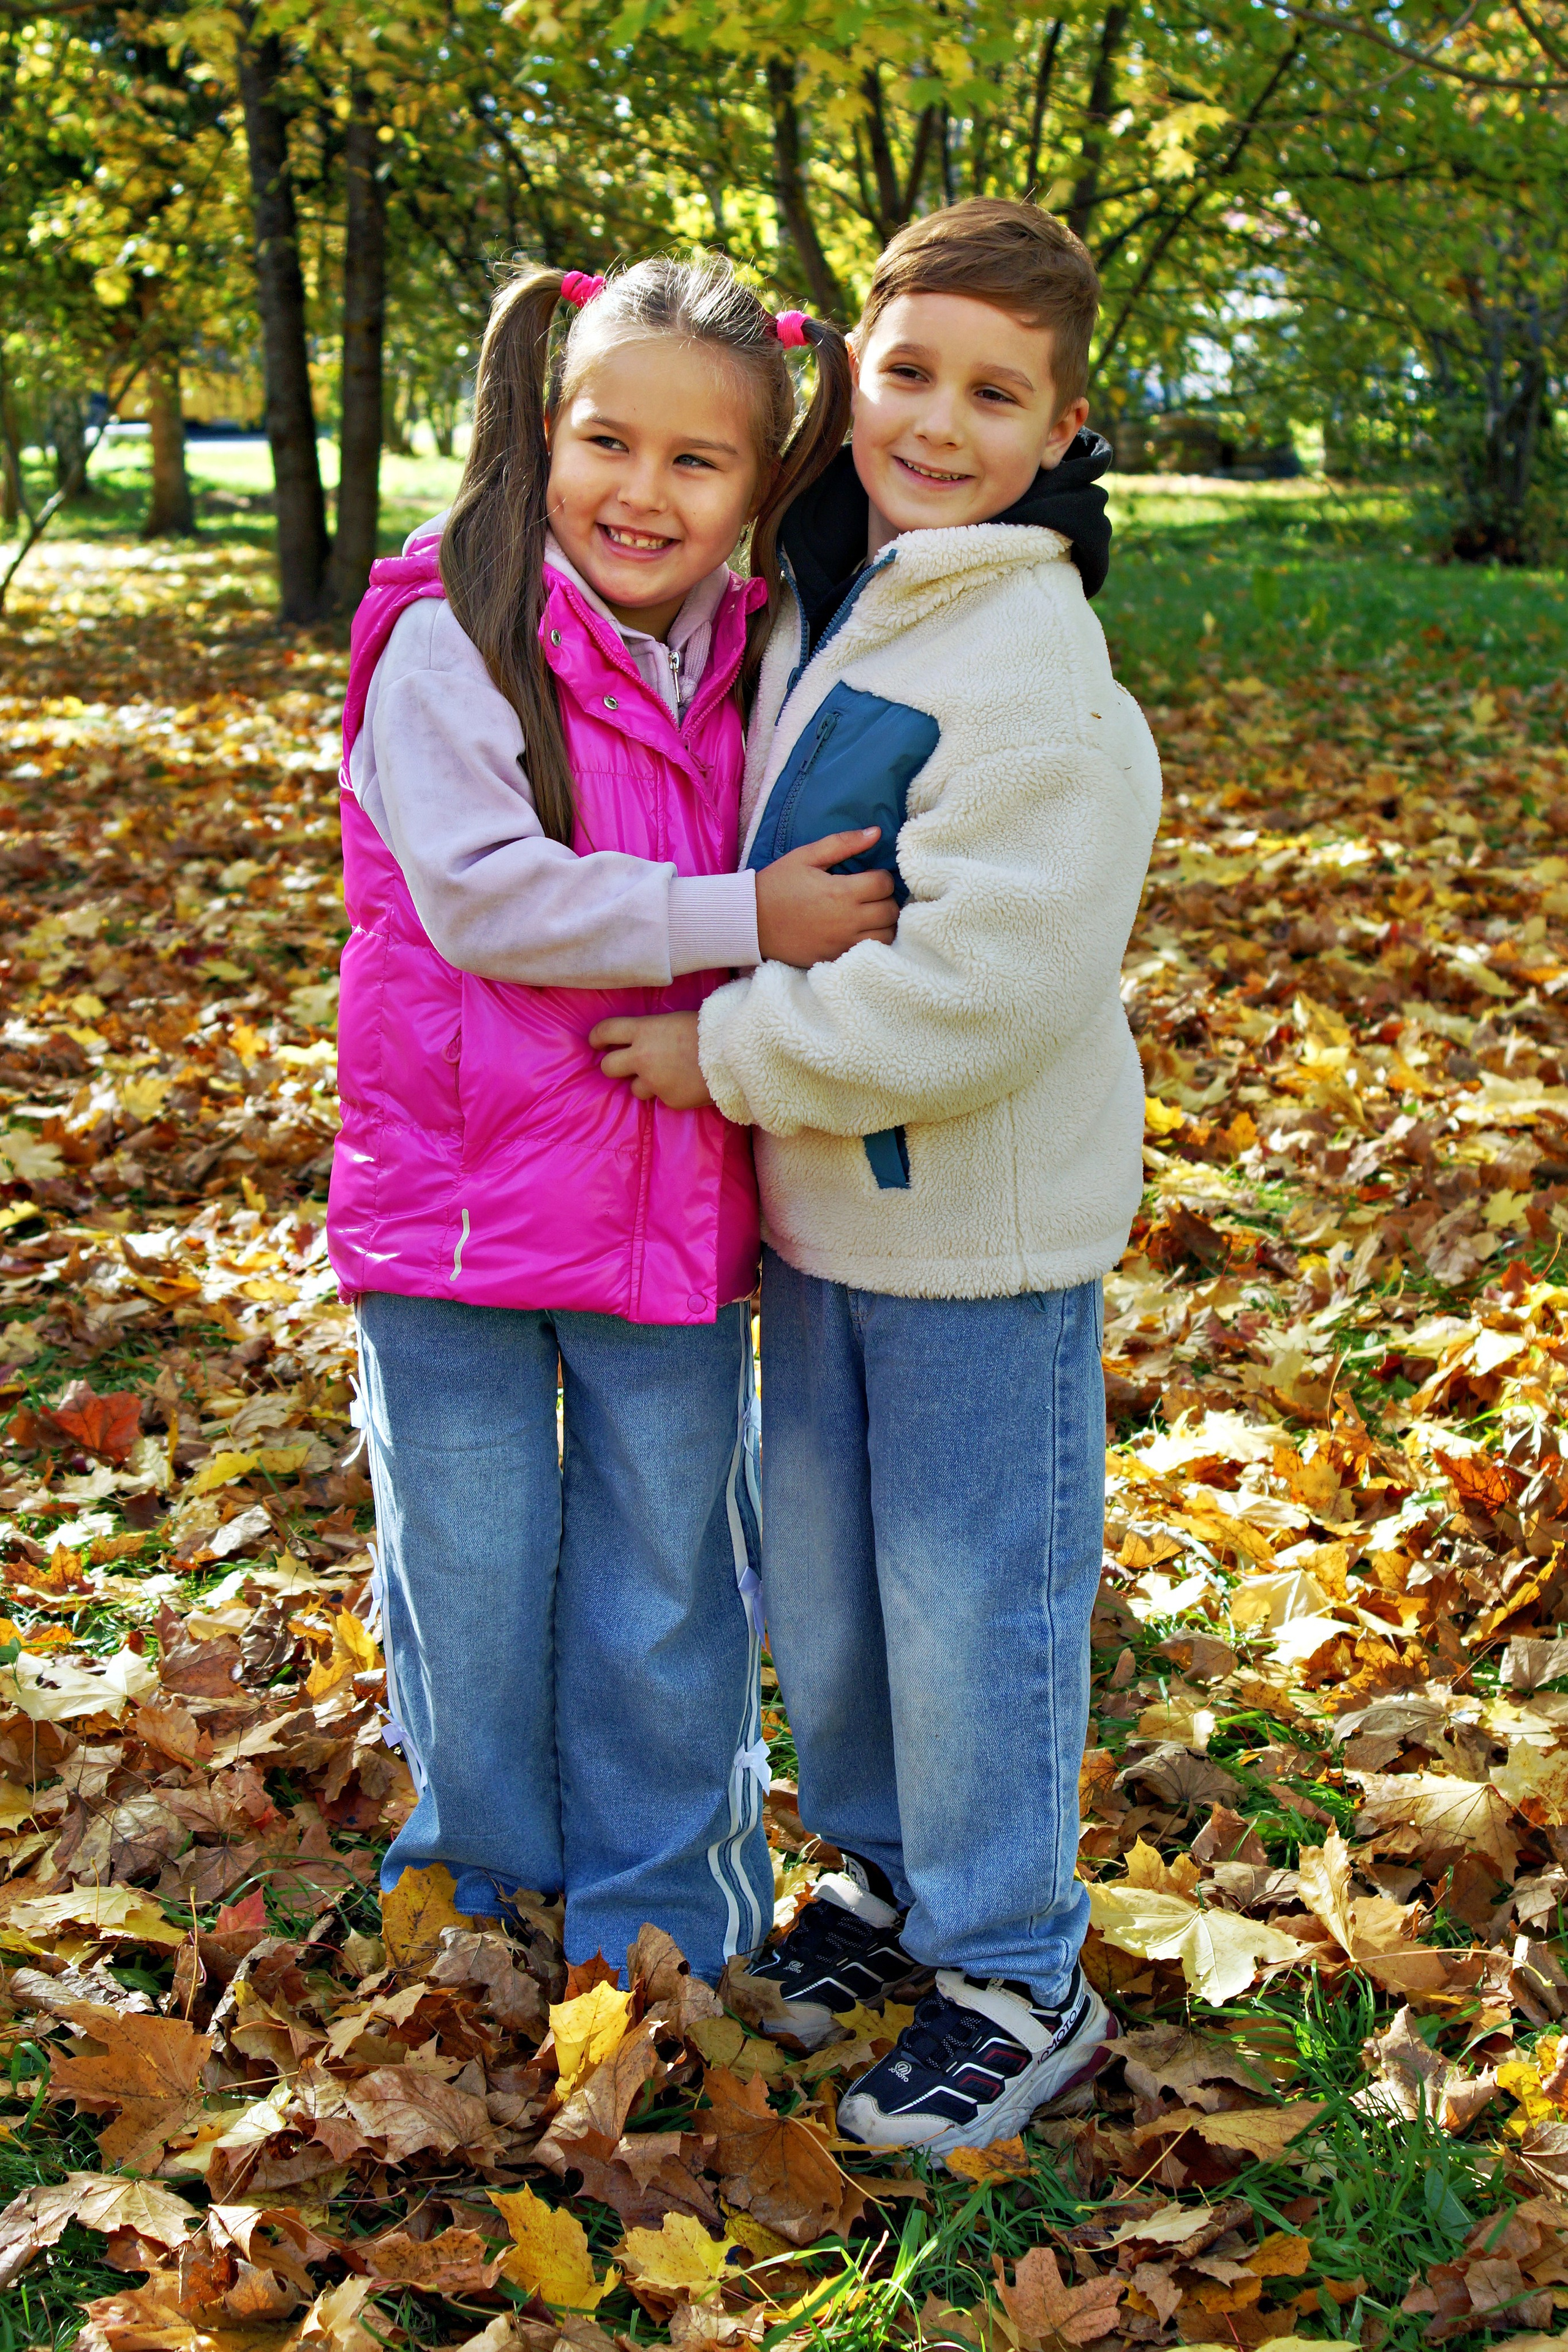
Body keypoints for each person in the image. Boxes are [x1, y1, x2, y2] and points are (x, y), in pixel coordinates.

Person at [593, 200, 1162, 2147]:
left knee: (970, 1592)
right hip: (831, 1216)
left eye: (993, 393)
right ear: (853, 369)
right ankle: (891, 1880)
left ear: (1063, 425)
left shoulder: (1034, 663)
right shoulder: (834, 585)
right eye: (907, 369)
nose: (935, 418)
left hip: (978, 1235)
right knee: (829, 1589)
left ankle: (1019, 1964)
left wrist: (725, 1054)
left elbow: (985, 988)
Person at [328, 254, 897, 1986]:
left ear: (757, 489)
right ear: (544, 430)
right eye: (606, 441)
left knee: (666, 1584)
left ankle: (668, 1911)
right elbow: (490, 901)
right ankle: (482, 1886)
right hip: (457, 1214)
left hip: (664, 1207)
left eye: (697, 463)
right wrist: (744, 925)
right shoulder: (452, 636)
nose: (641, 493)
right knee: (475, 1572)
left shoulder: (761, 657)